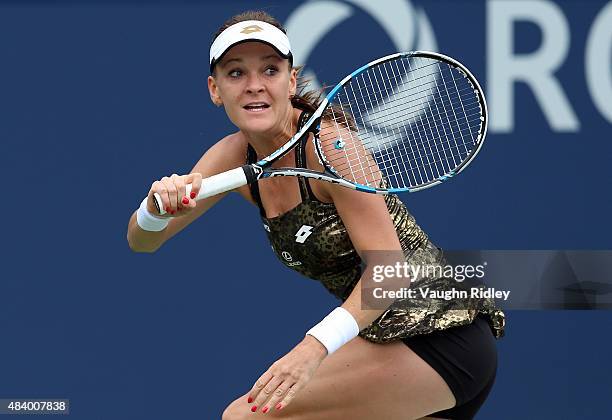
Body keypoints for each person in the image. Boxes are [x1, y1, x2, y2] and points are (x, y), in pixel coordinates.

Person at [126, 10, 506, 420]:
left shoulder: (332, 150)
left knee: (245, 417)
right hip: (389, 341)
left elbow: (391, 271)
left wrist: (313, 349)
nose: (254, 86)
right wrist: (154, 209)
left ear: (290, 81)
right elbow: (142, 241)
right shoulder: (231, 157)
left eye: (269, 70)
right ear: (215, 90)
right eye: (236, 73)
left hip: (440, 340)